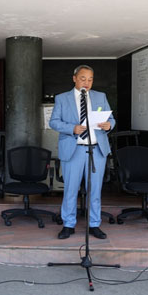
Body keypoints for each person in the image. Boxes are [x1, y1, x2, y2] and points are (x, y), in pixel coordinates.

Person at [49, 65, 115, 240]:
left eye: (90, 79)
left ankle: (94, 224)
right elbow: (54, 122)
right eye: (83, 78)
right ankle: (68, 224)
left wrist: (109, 125)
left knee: (95, 190)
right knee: (70, 190)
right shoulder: (62, 98)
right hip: (74, 149)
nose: (87, 82)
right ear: (74, 78)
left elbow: (111, 119)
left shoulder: (101, 97)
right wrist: (72, 128)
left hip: (96, 150)